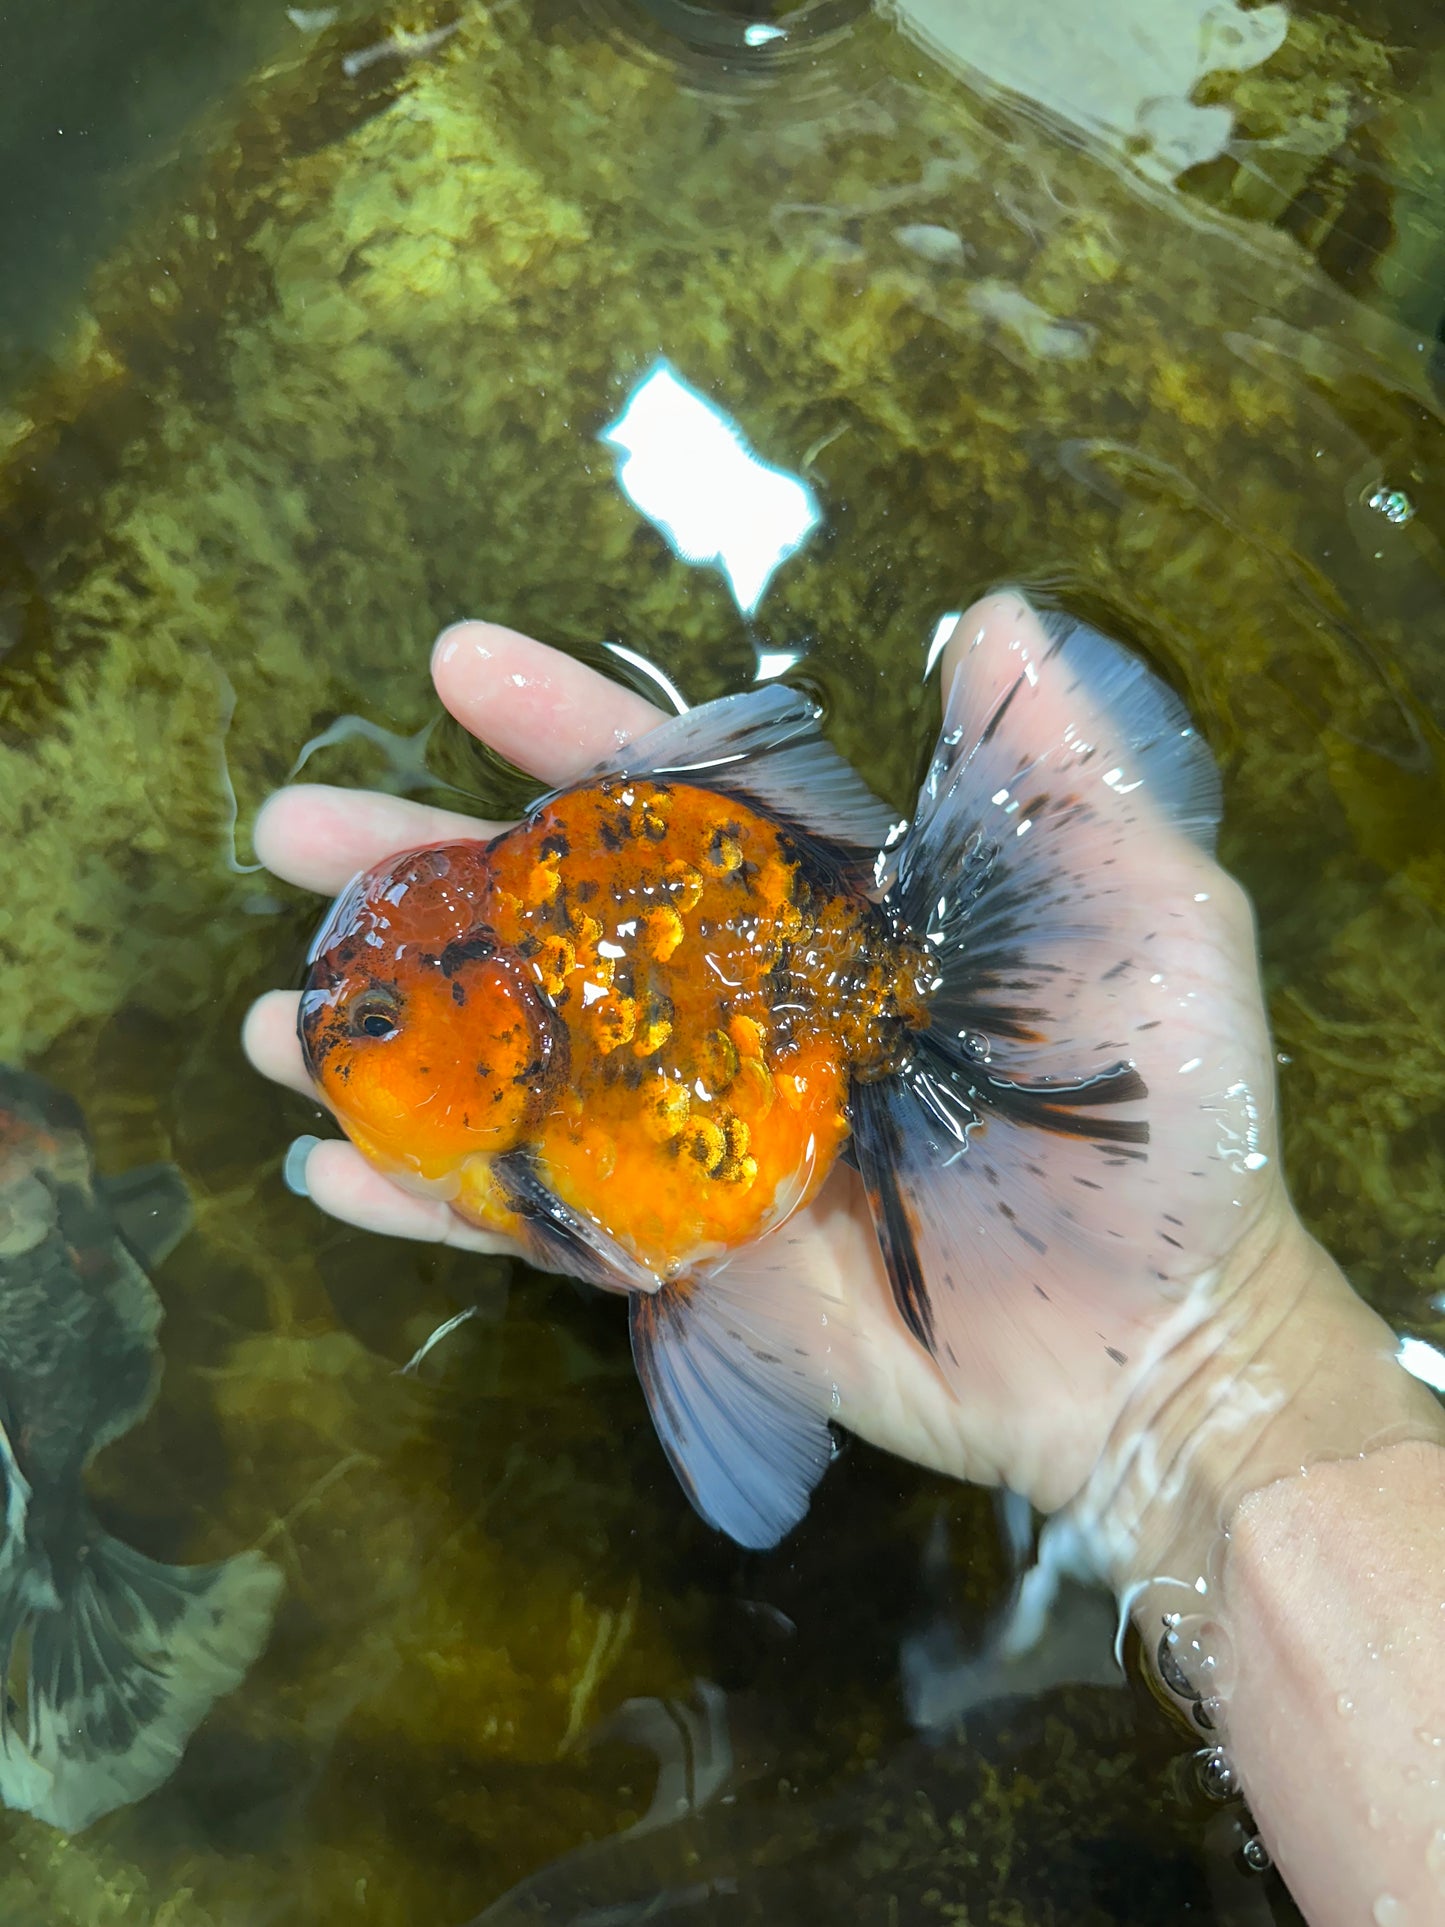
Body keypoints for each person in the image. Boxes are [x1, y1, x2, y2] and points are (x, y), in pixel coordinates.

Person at [244, 597, 1445, 1927]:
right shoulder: (507, 1122)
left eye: (373, 1020)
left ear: (489, 1015)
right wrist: (1210, 1385)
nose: (337, 1051)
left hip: (793, 1063)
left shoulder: (550, 1082)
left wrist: (1207, 1358)